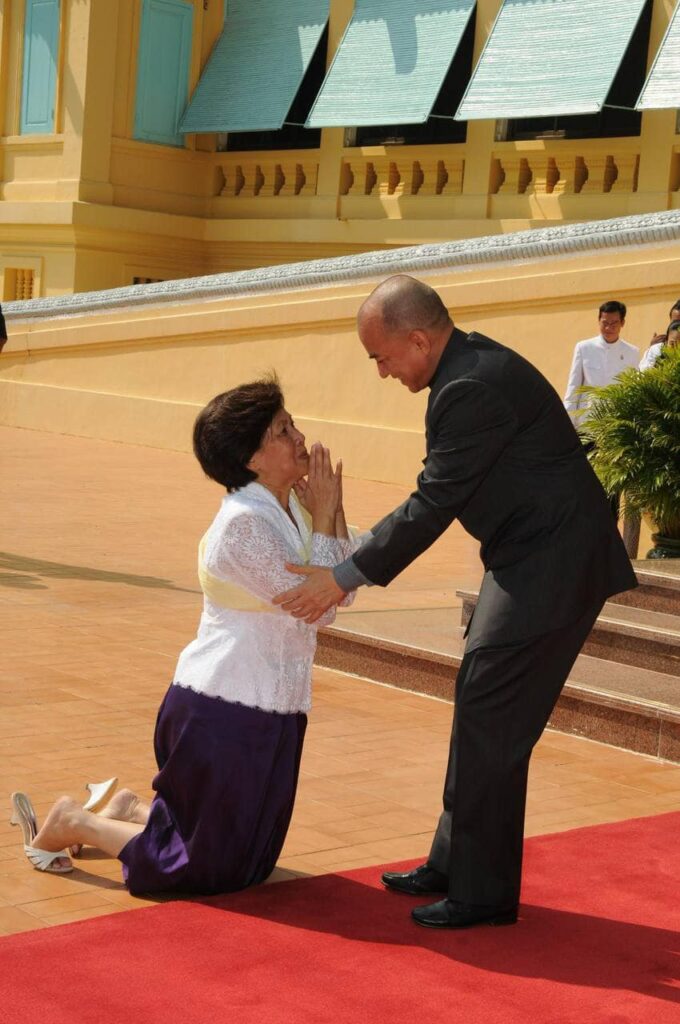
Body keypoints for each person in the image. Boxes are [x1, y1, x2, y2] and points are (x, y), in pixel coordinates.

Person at [273, 275, 637, 930]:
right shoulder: (465, 370)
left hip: (551, 564)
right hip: (529, 558)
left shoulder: (469, 386)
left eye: (382, 357)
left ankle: (483, 892)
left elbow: (433, 501)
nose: (382, 372)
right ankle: (454, 862)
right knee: (480, 702)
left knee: (491, 713)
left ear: (418, 340)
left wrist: (344, 575)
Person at [10, 377, 356, 894]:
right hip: (222, 708)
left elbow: (344, 590)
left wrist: (332, 511)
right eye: (283, 430)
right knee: (197, 869)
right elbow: (321, 610)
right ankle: (73, 821)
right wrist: (326, 515)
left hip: (278, 707)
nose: (300, 436)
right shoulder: (242, 526)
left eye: (292, 424)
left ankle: (131, 810)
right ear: (252, 458)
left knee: (248, 864)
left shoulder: (292, 511)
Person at [563, 300, 639, 427]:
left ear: (622, 323)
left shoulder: (632, 352)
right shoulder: (584, 348)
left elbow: (633, 391)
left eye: (614, 323)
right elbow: (573, 387)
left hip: (616, 422)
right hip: (587, 421)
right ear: (599, 321)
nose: (608, 328)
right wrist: (568, 422)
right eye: (605, 323)